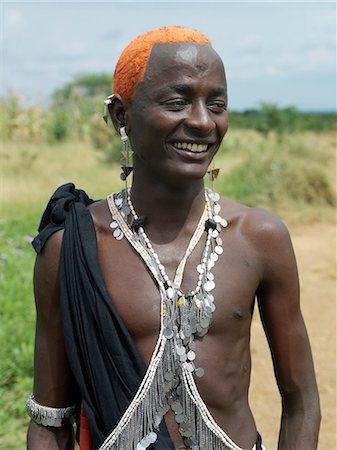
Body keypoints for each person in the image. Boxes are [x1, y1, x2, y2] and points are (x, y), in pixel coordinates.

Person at [26, 26, 321, 450]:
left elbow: (301, 402)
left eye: (216, 104)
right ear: (121, 116)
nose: (202, 122)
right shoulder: (72, 249)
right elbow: (50, 420)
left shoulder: (260, 239)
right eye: (178, 102)